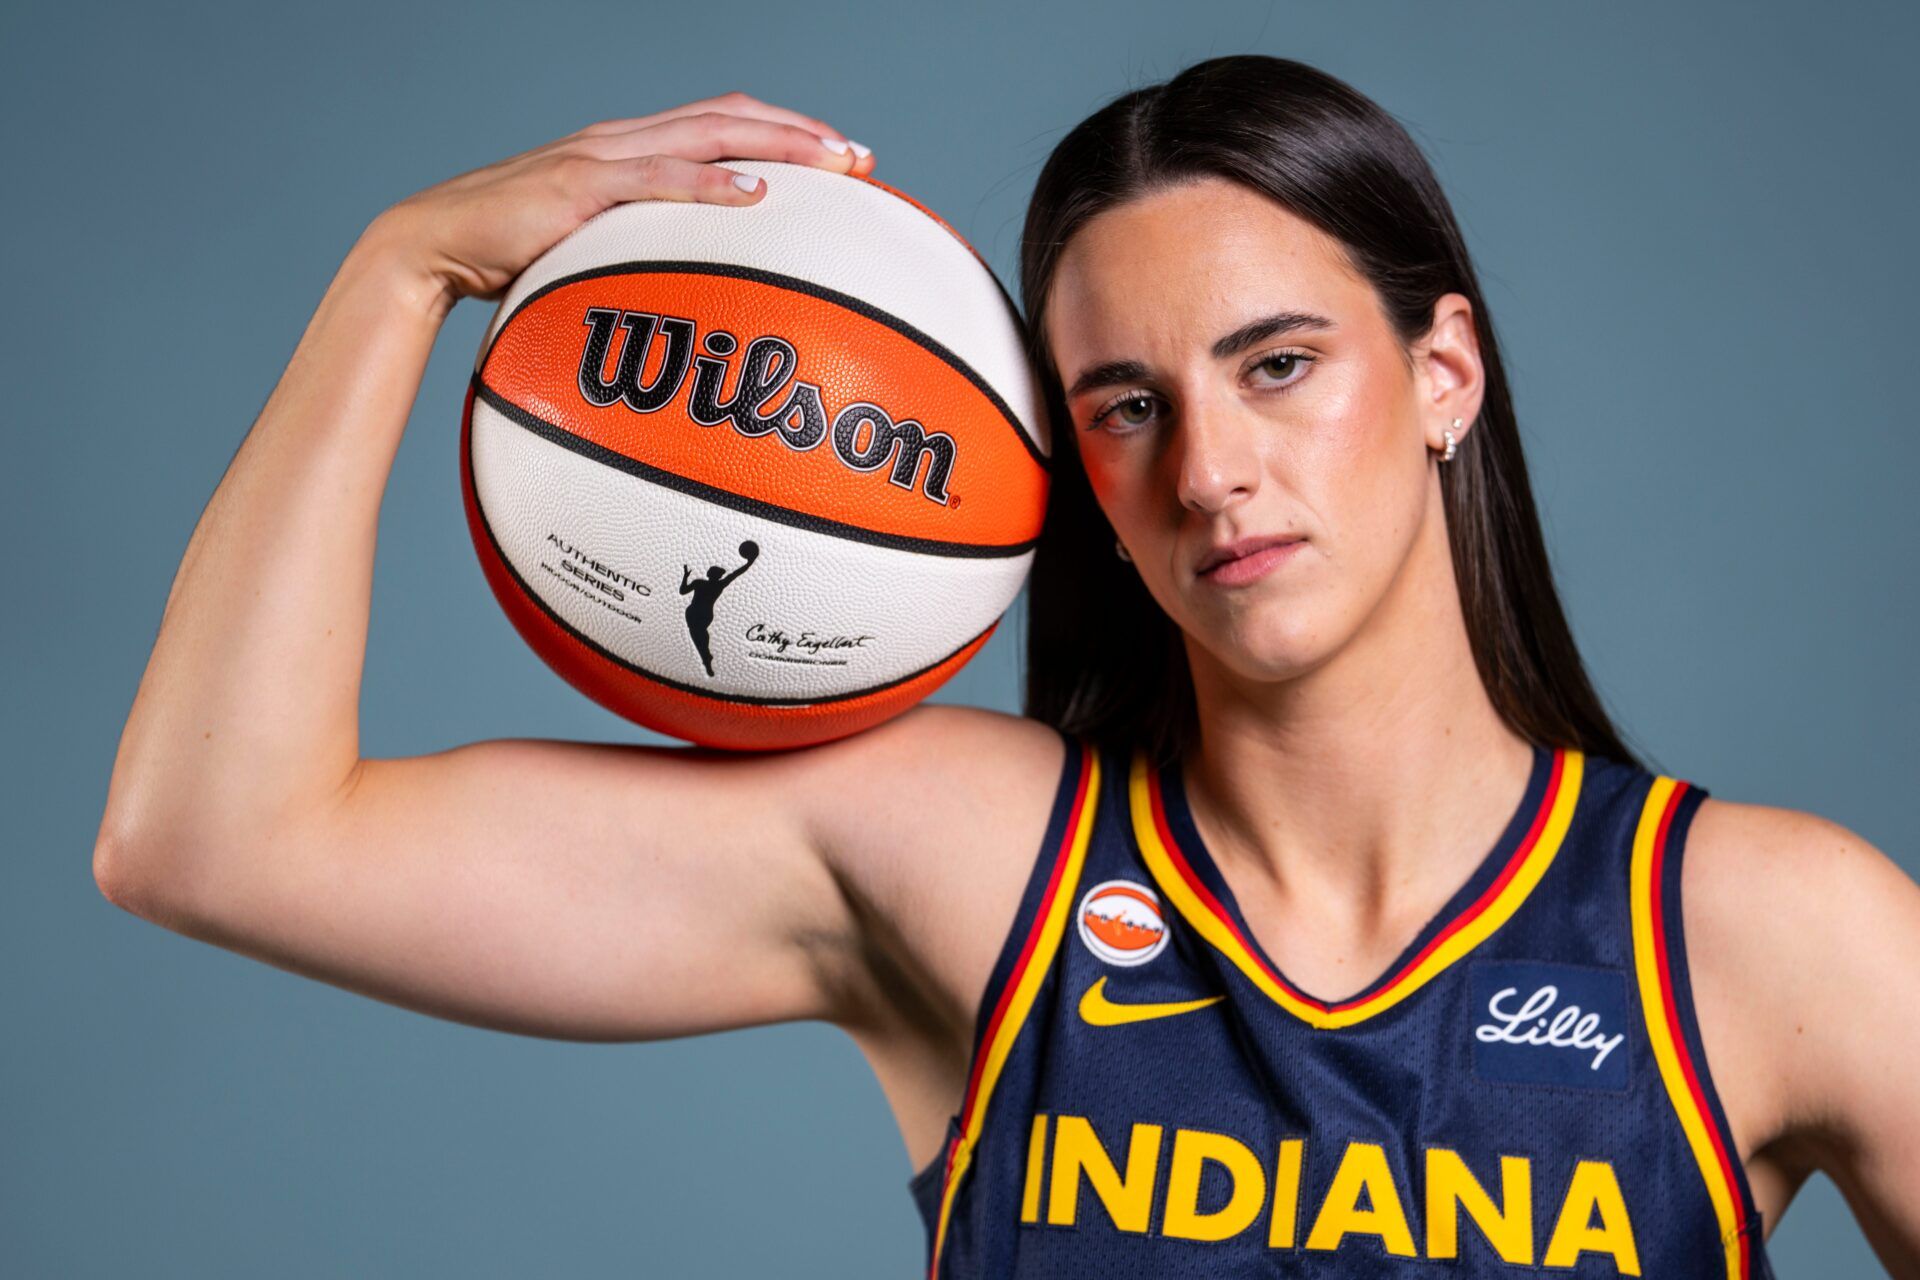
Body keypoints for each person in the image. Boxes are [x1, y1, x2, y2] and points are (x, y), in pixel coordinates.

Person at [91, 56, 1919, 1278]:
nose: (1208, 471)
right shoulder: (973, 860)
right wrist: (399, 271)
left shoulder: (1769, 936)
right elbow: (212, 836)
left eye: (1280, 364)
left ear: (1446, 373)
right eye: (1130, 407)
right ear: (1071, 473)